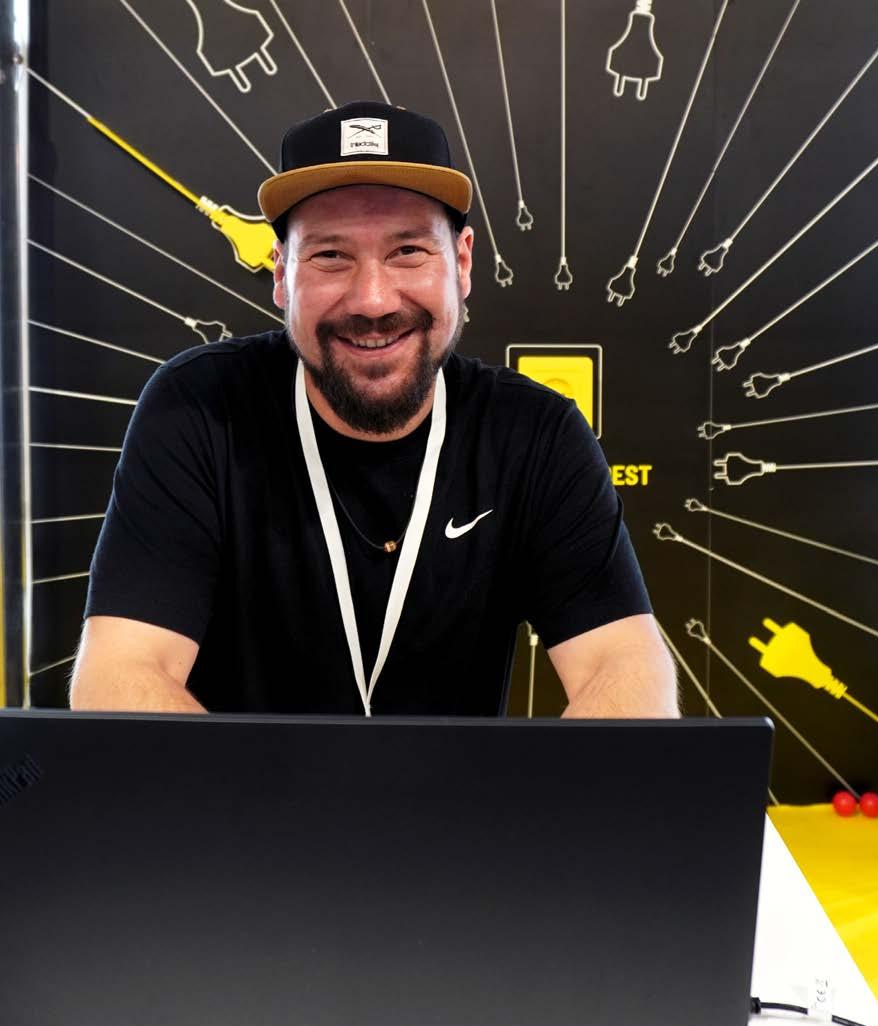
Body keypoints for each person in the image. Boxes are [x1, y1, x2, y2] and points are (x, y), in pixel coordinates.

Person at [70, 101, 677, 718]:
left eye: (408, 250)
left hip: (457, 790)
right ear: (280, 274)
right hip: (240, 785)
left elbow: (626, 668)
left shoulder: (535, 433)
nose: (373, 300)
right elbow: (118, 679)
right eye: (330, 256)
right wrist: (262, 788)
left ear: (462, 262)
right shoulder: (198, 410)